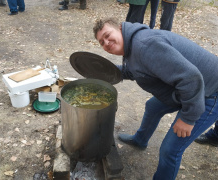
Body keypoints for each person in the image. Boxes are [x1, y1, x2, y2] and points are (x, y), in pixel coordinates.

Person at [93, 18, 218, 180]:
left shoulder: (145, 46)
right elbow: (134, 70)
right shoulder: (131, 46)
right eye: (101, 42)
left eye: (108, 35)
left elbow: (191, 79)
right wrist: (103, 72)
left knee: (170, 150)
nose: (106, 43)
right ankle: (140, 140)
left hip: (210, 91)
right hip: (186, 88)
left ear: (120, 28)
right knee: (153, 106)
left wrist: (188, 118)